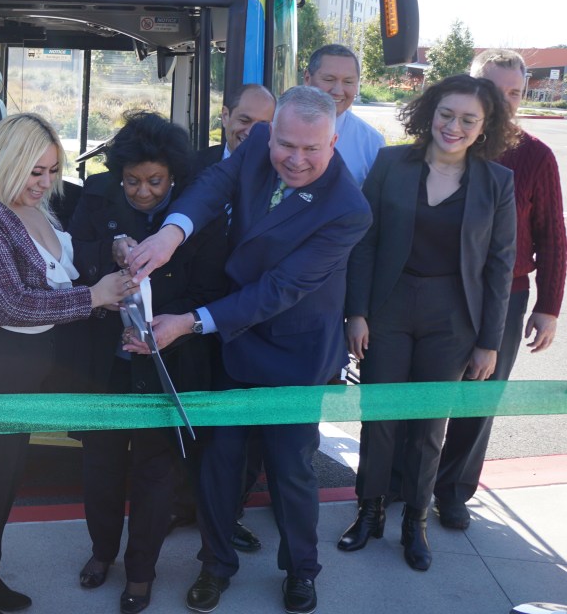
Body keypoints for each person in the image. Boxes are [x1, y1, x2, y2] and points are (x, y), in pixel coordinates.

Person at [126, 86, 372, 614]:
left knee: (292, 472)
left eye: (312, 149)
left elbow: (279, 290)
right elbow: (215, 184)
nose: (295, 159)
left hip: (292, 349)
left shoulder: (348, 209)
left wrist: (191, 323)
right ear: (271, 132)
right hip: (234, 337)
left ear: (334, 140)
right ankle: (215, 566)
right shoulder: (259, 139)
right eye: (286, 145)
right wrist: (173, 231)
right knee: (221, 462)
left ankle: (302, 570)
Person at [0, 112, 132, 614]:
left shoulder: (34, 208)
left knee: (0, 486)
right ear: (5, 160)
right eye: (33, 171)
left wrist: (109, 252)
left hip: (15, 367)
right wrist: (93, 297)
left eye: (50, 170)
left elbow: (60, 265)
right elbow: (11, 304)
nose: (43, 182)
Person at [340, 75, 518, 571]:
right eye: (446, 114)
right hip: (389, 308)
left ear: (484, 128)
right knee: (379, 416)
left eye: (468, 119)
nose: (453, 126)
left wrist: (489, 342)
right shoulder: (390, 164)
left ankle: (414, 522)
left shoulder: (497, 183)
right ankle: (369, 511)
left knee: (429, 426)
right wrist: (357, 312)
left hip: (453, 317)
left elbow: (500, 267)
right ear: (429, 112)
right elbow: (364, 243)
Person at [68, 112, 228, 614]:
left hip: (168, 364)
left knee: (156, 476)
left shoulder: (194, 214)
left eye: (154, 182)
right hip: (103, 362)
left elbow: (210, 291)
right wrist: (105, 258)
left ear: (174, 175)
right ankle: (101, 552)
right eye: (131, 181)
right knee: (100, 467)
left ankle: (141, 573)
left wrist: (167, 332)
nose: (141, 192)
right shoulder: (96, 195)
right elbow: (70, 258)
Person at [432, 50, 566, 529]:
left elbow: (553, 235)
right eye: (496, 89)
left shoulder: (536, 156)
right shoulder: (446, 142)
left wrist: (549, 306)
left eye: (515, 92)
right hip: (439, 291)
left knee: (478, 397)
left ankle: (452, 491)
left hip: (505, 296)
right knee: (424, 394)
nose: (506, 102)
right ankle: (404, 484)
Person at [195, 83, 277, 554]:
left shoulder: (279, 171)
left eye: (265, 125)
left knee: (243, 439)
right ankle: (190, 508)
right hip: (191, 320)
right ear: (225, 116)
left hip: (249, 324)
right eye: (245, 120)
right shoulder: (194, 168)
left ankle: (229, 516)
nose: (253, 132)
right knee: (196, 427)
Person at [303, 44, 384, 185]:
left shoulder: (372, 144)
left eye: (348, 82)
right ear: (307, 78)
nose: (338, 91)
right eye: (329, 79)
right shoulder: (276, 128)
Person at [200, 84, 277, 168]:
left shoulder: (278, 173)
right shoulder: (192, 166)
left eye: (262, 126)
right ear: (225, 116)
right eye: (244, 121)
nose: (251, 132)